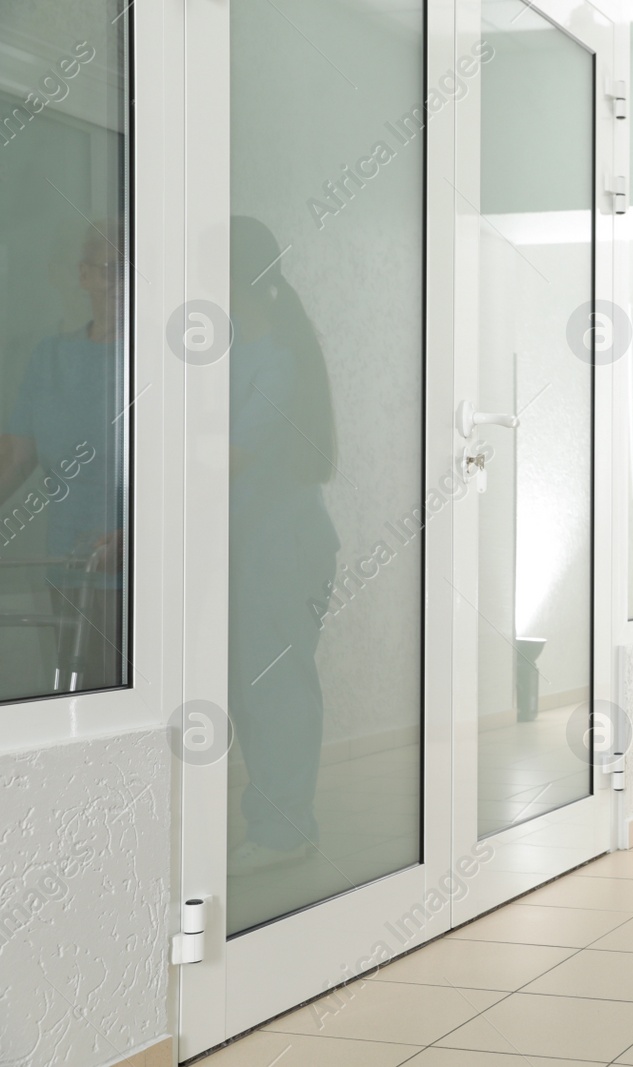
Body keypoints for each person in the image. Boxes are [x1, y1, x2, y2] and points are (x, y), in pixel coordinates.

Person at [226, 215, 342, 877]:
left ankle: (284, 830)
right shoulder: (231, 347)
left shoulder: (279, 360)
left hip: (284, 545)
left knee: (275, 686)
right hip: (247, 544)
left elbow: (233, 455)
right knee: (247, 688)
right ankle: (271, 821)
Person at [0, 221, 128, 692]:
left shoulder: (158, 357)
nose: (121, 285)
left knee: (125, 709)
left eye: (133, 272)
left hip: (139, 574)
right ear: (84, 276)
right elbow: (15, 455)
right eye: (111, 270)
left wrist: (137, 536)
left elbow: (191, 472)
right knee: (76, 694)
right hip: (68, 566)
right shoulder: (50, 357)